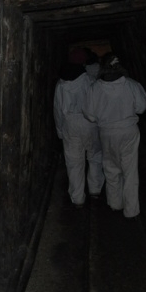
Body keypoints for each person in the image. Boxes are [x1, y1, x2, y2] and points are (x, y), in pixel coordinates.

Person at [83, 53, 146, 218]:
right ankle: (131, 210)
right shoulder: (131, 85)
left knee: (111, 167)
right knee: (130, 170)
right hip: (128, 130)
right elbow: (142, 106)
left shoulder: (95, 88)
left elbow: (90, 115)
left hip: (107, 132)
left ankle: (115, 203)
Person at [53, 62, 104, 207]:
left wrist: (60, 131)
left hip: (70, 124)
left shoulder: (61, 85)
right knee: (95, 156)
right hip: (90, 123)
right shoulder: (89, 81)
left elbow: (57, 110)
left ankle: (78, 198)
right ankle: (95, 189)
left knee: (74, 163)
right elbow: (97, 103)